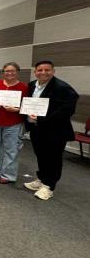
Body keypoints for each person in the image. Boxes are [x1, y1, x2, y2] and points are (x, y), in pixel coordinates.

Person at [23, 60, 79, 200]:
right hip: (37, 129)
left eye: (47, 70)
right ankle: (41, 179)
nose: (43, 72)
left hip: (55, 131)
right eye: (40, 70)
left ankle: (49, 186)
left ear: (53, 71)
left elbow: (67, 110)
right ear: (35, 72)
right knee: (41, 155)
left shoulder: (62, 87)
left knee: (53, 158)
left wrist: (42, 119)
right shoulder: (31, 85)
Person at [0, 62, 28, 184]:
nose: (9, 73)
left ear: (17, 72)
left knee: (11, 149)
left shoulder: (23, 87)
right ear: (3, 72)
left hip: (13, 123)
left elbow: (27, 105)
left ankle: (8, 175)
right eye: (6, 71)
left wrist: (17, 109)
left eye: (12, 71)